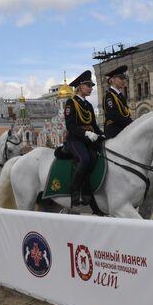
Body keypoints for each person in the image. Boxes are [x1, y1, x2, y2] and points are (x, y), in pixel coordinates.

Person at [64, 70, 104, 207]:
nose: (91, 88)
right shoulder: (71, 103)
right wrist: (86, 134)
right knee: (84, 159)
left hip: (88, 139)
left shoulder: (88, 105)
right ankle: (75, 192)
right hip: (75, 139)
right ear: (80, 87)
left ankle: (88, 190)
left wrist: (101, 135)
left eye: (92, 86)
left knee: (98, 156)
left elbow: (93, 124)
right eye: (89, 86)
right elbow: (70, 126)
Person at [103, 65, 132, 139]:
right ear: (112, 79)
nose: (124, 81)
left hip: (123, 127)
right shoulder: (109, 96)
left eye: (124, 78)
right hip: (114, 129)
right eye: (121, 78)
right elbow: (114, 116)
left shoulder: (120, 96)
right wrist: (131, 124)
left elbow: (126, 114)